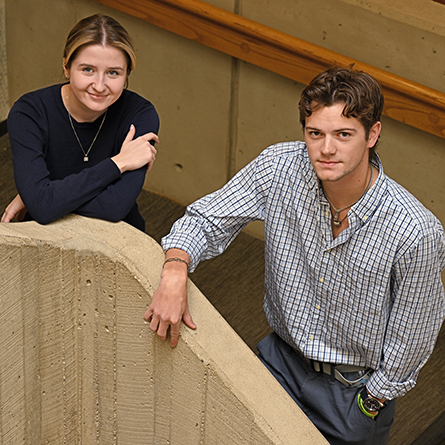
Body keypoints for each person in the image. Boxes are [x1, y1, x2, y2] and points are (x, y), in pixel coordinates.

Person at [143, 66, 445, 444]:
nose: (326, 149)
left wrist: (373, 399)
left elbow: (414, 332)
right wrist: (175, 267)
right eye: (315, 133)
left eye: (343, 135)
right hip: (278, 363)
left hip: (353, 395)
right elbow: (207, 219)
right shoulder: (280, 167)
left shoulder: (415, 231)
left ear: (373, 134)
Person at [1, 13, 159, 232]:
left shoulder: (140, 114)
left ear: (126, 75)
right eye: (88, 70)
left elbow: (114, 207)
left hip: (117, 235)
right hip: (46, 234)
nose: (100, 85)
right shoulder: (29, 112)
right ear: (66, 67)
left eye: (113, 73)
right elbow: (42, 206)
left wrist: (46, 197)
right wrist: (119, 163)